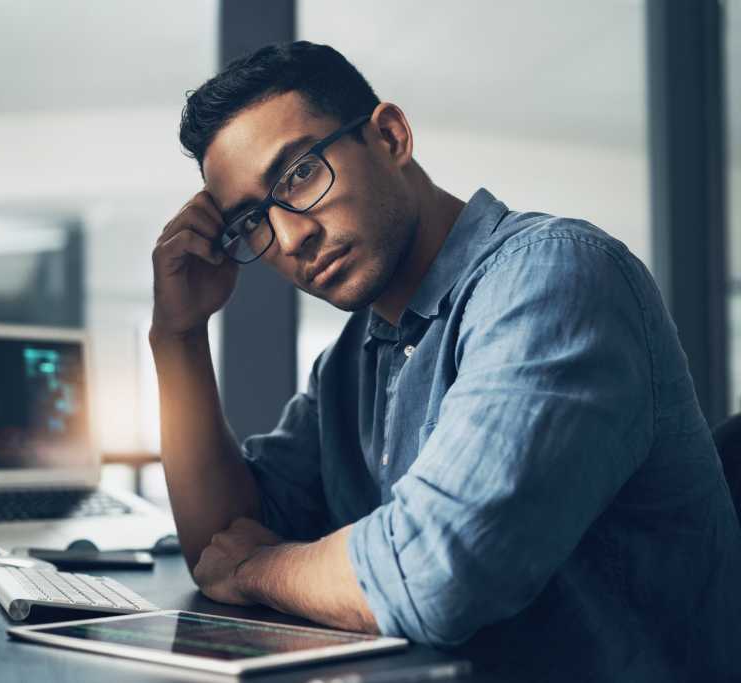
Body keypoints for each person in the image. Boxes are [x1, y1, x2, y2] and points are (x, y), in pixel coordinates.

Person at [149, 41, 741, 682]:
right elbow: (221, 540)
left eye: (300, 174)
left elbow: (436, 574)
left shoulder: (554, 277)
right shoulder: (355, 358)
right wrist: (178, 338)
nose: (291, 237)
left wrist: (257, 569)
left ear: (391, 136)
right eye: (252, 222)